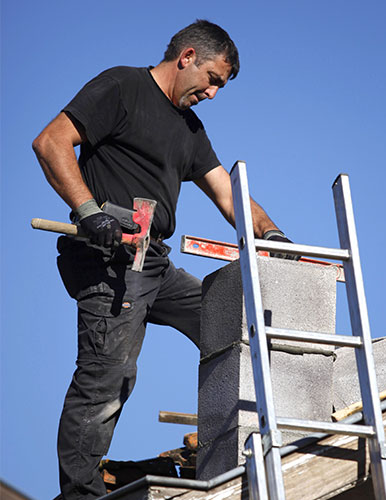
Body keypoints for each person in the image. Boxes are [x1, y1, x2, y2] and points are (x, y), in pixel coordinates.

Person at [32, 20, 294, 500]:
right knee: (108, 378)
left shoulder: (189, 129)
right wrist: (91, 214)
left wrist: (273, 235)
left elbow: (229, 196)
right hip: (107, 261)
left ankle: (250, 447)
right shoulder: (122, 87)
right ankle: (80, 495)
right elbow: (50, 142)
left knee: (234, 323)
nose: (213, 93)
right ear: (188, 56)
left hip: (153, 265)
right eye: (213, 79)